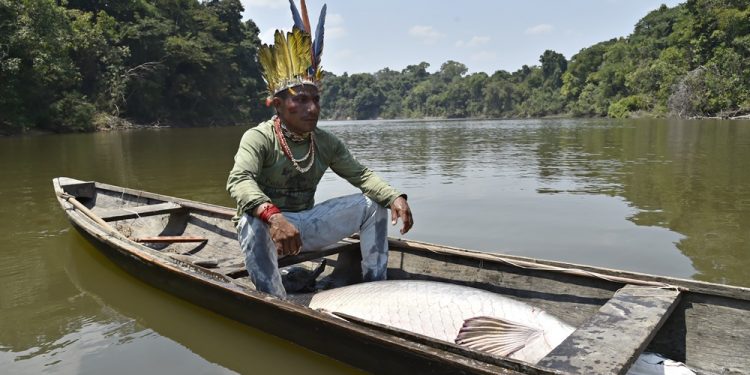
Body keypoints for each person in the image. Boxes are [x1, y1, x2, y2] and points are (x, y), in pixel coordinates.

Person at [226, 1, 413, 299]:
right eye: (300, 100)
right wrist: (273, 217)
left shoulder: (324, 142)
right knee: (249, 218)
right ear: (277, 105)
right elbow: (239, 181)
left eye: (315, 99)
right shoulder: (258, 138)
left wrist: (394, 196)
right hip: (267, 230)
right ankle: (276, 300)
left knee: (373, 204)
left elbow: (362, 176)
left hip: (305, 227)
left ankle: (375, 286)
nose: (311, 108)